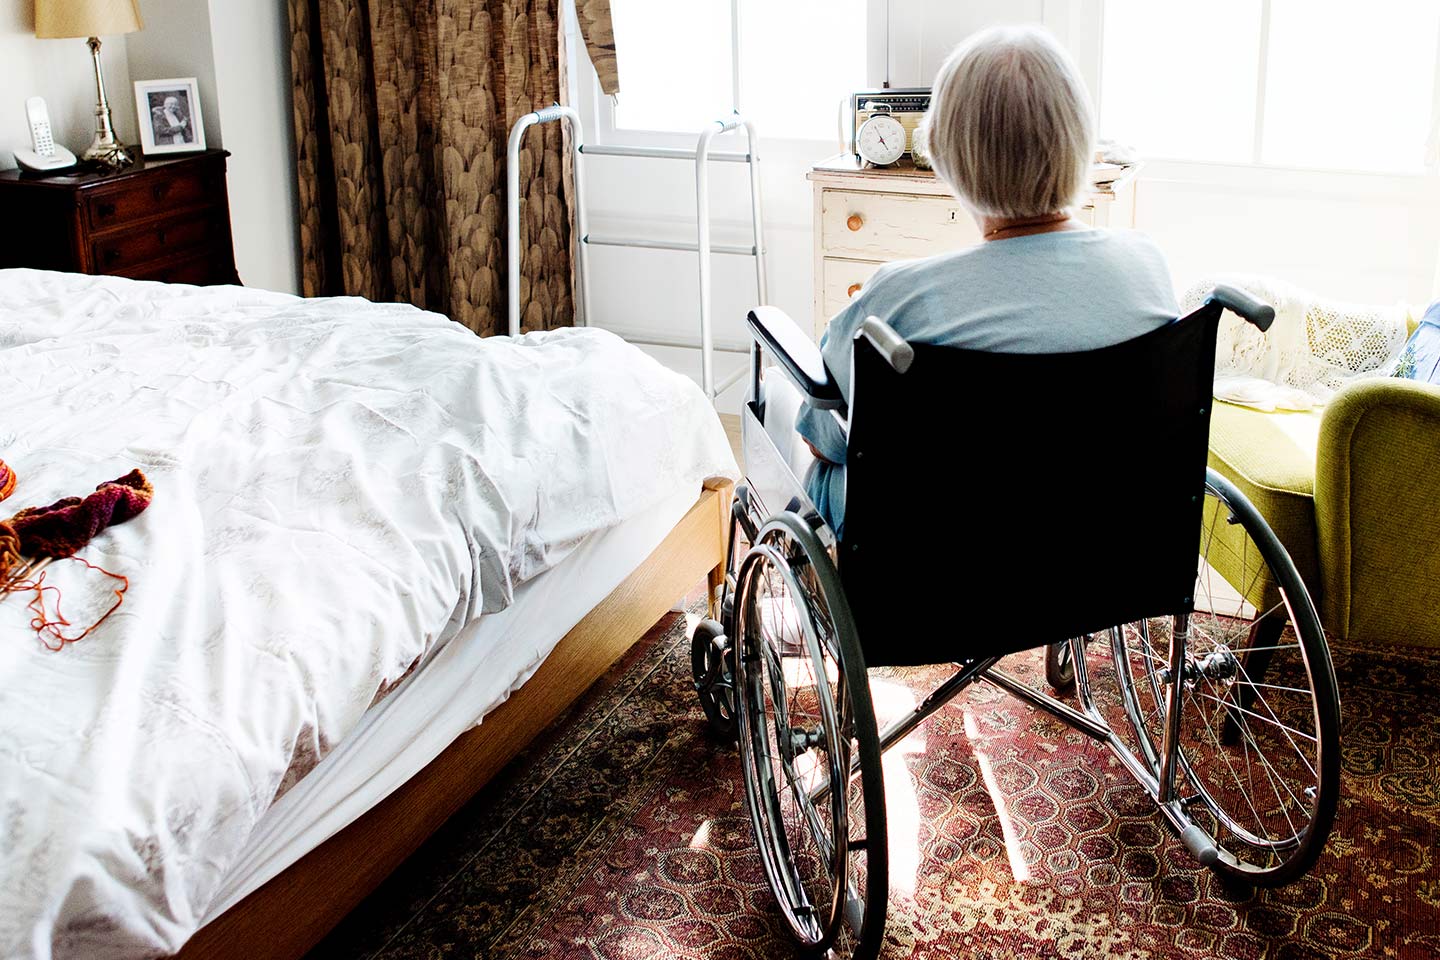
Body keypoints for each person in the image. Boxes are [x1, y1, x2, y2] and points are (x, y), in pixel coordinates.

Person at [782, 24, 1178, 537]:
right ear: (1082, 143)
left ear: (945, 155)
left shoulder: (896, 302)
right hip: (1104, 536)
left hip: (941, 544)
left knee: (794, 431)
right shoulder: (1146, 267)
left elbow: (826, 440)